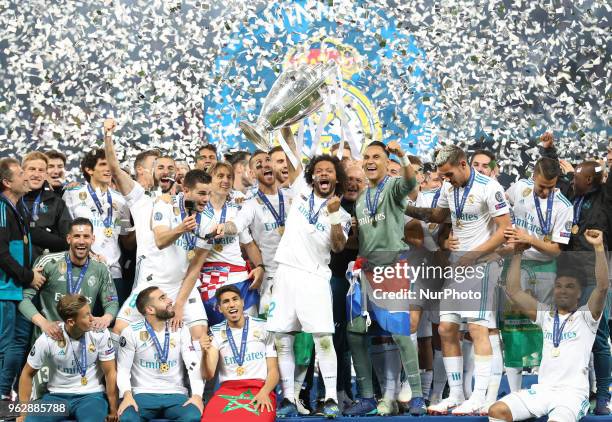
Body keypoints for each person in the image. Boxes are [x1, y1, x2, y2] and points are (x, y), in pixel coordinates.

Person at [405, 144, 512, 415]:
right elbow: (439, 216)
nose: (445, 181)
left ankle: (478, 397)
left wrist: (474, 254)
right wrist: (407, 209)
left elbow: (505, 230)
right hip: (457, 265)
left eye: (449, 174)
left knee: (477, 329)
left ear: (463, 164)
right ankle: (455, 395)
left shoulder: (490, 188)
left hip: (483, 265)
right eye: (442, 176)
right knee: (446, 329)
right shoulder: (448, 187)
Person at [488, 229, 609, 422]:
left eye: (570, 286)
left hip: (572, 396)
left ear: (580, 293)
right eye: (559, 285)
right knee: (497, 410)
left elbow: (602, 286)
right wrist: (518, 252)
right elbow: (513, 291)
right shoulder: (546, 315)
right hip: (542, 391)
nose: (562, 290)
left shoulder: (587, 318)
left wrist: (599, 247)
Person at [267, 148, 351, 418]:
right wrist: (287, 129)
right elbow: (290, 154)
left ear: (336, 179)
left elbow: (338, 247)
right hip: (286, 274)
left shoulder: (344, 215)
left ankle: (329, 398)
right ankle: (289, 398)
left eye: (330, 171)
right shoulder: (300, 191)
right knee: (283, 338)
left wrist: (335, 215)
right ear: (312, 177)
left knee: (323, 339)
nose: (324, 173)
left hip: (315, 278)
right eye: (319, 170)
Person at [344, 140, 423, 417]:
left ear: (385, 160)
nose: (370, 161)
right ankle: (366, 397)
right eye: (366, 156)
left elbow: (411, 183)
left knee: (401, 334)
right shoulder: (362, 199)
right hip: (366, 272)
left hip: (393, 269)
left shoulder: (392, 186)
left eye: (376, 156)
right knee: (354, 333)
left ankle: (417, 396)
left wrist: (402, 157)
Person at [503, 157, 574, 391]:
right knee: (513, 326)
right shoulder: (519, 188)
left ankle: (545, 391)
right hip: (517, 263)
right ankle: (514, 393)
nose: (545, 192)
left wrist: (530, 239)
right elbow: (501, 212)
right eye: (542, 186)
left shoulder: (564, 206)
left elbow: (556, 250)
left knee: (545, 328)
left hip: (545, 268)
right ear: (533, 176)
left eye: (551, 187)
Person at [174, 162, 265, 328]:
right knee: (218, 334)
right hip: (208, 278)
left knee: (248, 329)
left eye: (229, 177)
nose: (226, 180)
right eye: (220, 176)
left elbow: (249, 244)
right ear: (210, 179)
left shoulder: (236, 210)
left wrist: (260, 266)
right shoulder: (196, 208)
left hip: (239, 278)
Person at [17, 294, 118, 422]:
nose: (93, 319)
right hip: (56, 397)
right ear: (71, 321)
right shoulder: (49, 338)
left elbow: (110, 372)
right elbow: (27, 374)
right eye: (87, 315)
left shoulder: (100, 333)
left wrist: (113, 409)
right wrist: (23, 414)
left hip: (91, 396)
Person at [19, 217, 119, 339]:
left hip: (81, 342)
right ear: (68, 239)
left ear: (93, 239)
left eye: (86, 236)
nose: (81, 241)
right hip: (49, 339)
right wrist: (44, 323)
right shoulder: (49, 262)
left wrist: (105, 318)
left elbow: (111, 302)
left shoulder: (100, 268)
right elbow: (23, 298)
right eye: (77, 236)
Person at [116, 286, 203, 422]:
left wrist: (197, 395)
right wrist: (127, 396)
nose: (170, 300)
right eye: (163, 298)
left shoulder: (180, 329)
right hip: (142, 394)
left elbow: (193, 365)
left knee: (192, 416)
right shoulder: (131, 332)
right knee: (127, 418)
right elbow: (123, 370)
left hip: (176, 394)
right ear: (150, 309)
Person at [62, 149, 134, 305]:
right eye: (102, 164)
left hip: (113, 271)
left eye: (110, 164)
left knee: (111, 323)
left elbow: (125, 239)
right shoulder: (72, 194)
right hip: (80, 268)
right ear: (89, 170)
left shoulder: (121, 200)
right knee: (81, 323)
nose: (108, 168)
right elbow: (66, 233)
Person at [200, 285, 279, 422]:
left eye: (235, 299)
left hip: (259, 389)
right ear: (219, 308)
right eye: (225, 302)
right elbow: (209, 374)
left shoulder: (264, 327)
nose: (231, 304)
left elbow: (273, 371)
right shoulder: (215, 332)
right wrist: (204, 352)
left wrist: (265, 392)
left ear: (242, 302)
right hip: (227, 391)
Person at [0, 157, 42, 403]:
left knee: (17, 343)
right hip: (5, 290)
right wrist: (28, 276)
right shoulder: (1, 208)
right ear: (7, 182)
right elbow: (1, 252)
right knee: (4, 347)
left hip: (16, 290)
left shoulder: (18, 207)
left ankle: (4, 394)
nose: (27, 177)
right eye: (20, 174)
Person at [234, 150, 294, 317]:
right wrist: (227, 227)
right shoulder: (250, 204)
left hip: (297, 273)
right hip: (270, 278)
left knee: (305, 337)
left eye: (268, 161)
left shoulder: (293, 197)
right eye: (258, 164)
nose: (265, 165)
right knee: (273, 337)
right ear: (252, 173)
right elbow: (238, 225)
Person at [21, 151, 72, 260]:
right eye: (32, 169)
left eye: (41, 170)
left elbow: (68, 241)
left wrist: (33, 233)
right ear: (23, 172)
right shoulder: (10, 198)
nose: (36, 174)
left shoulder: (57, 203)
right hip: (11, 269)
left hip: (45, 269)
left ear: (45, 174)